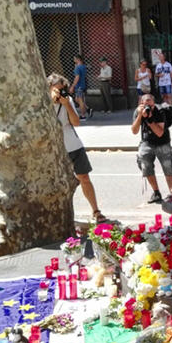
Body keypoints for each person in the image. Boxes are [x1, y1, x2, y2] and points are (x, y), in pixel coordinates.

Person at [48, 73, 107, 223]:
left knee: (84, 178)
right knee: (57, 185)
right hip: (55, 150)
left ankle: (95, 210)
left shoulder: (66, 101)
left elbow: (76, 122)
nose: (61, 92)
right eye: (58, 89)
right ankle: (60, 216)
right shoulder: (43, 104)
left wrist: (67, 104)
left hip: (73, 145)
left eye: (63, 89)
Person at [132, 94, 172, 204]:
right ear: (141, 103)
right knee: (146, 166)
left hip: (162, 142)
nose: (147, 106)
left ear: (153, 103)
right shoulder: (139, 111)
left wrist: (150, 119)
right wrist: (140, 116)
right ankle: (156, 192)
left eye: (150, 103)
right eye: (145, 103)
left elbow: (160, 133)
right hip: (147, 142)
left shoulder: (160, 111)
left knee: (168, 167)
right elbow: (134, 131)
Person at [70, 55, 92, 120]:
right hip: (83, 85)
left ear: (78, 59)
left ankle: (83, 116)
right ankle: (88, 109)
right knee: (77, 99)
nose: (74, 60)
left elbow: (77, 77)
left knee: (80, 100)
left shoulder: (77, 68)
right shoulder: (83, 66)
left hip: (79, 86)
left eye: (74, 59)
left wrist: (72, 86)